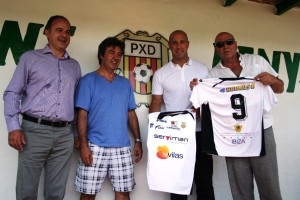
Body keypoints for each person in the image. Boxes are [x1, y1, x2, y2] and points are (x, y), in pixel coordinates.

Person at [190, 32, 283, 200]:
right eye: (220, 44)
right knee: (240, 190)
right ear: (216, 49)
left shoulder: (257, 61)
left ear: (235, 43)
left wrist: (274, 80)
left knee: (269, 186)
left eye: (229, 42)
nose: (225, 46)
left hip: (262, 130)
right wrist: (197, 89)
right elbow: (202, 108)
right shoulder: (212, 75)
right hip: (232, 135)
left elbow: (280, 88)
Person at [3, 15, 81, 200]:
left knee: (56, 192)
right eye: (59, 30)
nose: (64, 35)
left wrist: (76, 134)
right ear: (47, 32)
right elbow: (12, 93)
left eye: (68, 31)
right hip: (34, 132)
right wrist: (14, 128)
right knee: (27, 190)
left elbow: (75, 102)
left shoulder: (74, 66)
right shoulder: (30, 58)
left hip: (64, 135)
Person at [74, 37, 143, 200]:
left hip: (122, 147)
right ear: (101, 55)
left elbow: (131, 114)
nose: (116, 57)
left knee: (123, 194)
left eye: (119, 54)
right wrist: (84, 145)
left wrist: (138, 141)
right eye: (111, 52)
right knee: (88, 194)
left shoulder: (125, 84)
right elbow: (81, 115)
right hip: (94, 146)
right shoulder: (88, 81)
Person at [149, 30, 215, 200]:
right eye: (174, 43)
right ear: (170, 45)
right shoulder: (161, 73)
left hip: (200, 133)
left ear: (188, 44)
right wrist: (154, 132)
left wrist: (199, 104)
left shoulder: (202, 69)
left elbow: (211, 100)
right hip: (174, 135)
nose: (178, 46)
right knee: (177, 186)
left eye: (182, 42)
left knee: (205, 182)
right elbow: (156, 102)